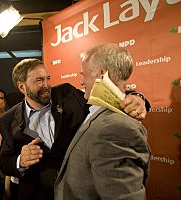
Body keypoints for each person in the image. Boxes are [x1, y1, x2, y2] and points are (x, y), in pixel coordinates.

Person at [0, 58, 150, 200]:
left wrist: (137, 97)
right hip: (37, 194)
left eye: (47, 78)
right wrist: (20, 160)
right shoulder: (7, 120)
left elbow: (104, 98)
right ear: (22, 87)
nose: (47, 85)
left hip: (77, 192)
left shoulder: (68, 94)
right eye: (39, 80)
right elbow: (4, 161)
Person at [54, 43, 151, 199]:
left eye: (83, 74)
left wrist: (139, 99)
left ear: (101, 74)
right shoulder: (92, 109)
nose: (81, 82)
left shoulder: (117, 128)